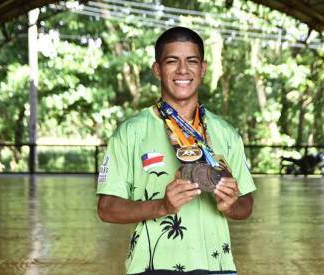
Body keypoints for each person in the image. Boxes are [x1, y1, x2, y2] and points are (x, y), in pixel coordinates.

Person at [96, 26, 256, 275]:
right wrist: (162, 207)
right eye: (172, 61)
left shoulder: (226, 132)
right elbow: (107, 208)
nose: (183, 70)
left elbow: (247, 204)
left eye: (191, 61)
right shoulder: (129, 132)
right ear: (157, 69)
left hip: (218, 267)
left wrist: (231, 205)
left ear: (202, 69)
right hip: (151, 268)